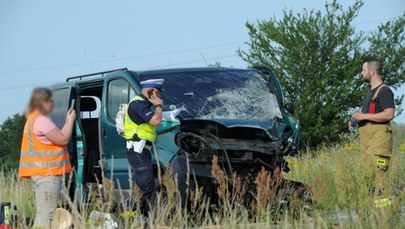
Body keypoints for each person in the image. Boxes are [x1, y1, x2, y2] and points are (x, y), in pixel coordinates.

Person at [19, 88, 76, 229]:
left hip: (39, 173)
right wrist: (70, 121)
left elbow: (57, 138)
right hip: (48, 174)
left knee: (42, 213)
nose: (52, 103)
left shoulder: (32, 119)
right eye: (50, 101)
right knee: (48, 215)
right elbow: (63, 140)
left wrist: (67, 123)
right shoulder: (42, 120)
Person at [349, 57, 395, 194]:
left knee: (379, 175)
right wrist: (356, 121)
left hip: (379, 144)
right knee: (366, 175)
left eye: (363, 70)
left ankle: (386, 210)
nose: (361, 73)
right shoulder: (369, 94)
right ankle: (373, 211)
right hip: (368, 143)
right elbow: (370, 117)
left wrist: (363, 116)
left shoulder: (385, 91)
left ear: (372, 71)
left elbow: (388, 114)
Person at [124, 79, 164, 217]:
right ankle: (135, 216)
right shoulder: (138, 104)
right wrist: (158, 105)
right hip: (137, 149)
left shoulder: (143, 105)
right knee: (147, 184)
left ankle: (136, 217)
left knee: (141, 186)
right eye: (157, 93)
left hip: (143, 150)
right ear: (150, 91)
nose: (159, 97)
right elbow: (156, 121)